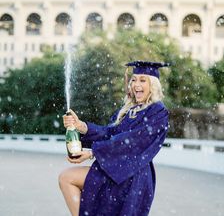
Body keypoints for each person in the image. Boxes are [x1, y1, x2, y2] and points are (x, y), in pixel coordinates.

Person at [59, 61, 169, 216]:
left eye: (143, 80)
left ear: (153, 85)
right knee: (67, 178)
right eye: (134, 79)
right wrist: (81, 126)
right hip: (113, 169)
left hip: (132, 173)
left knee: (68, 178)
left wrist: (93, 153)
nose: (136, 84)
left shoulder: (158, 111)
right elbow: (110, 133)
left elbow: (133, 141)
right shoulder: (128, 110)